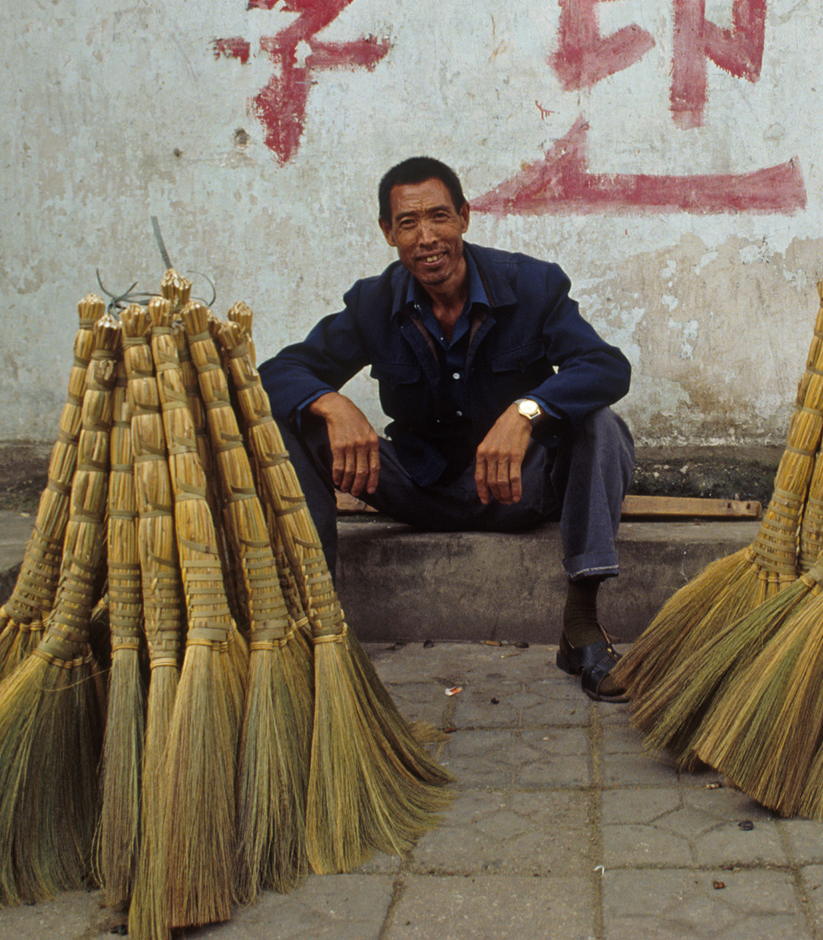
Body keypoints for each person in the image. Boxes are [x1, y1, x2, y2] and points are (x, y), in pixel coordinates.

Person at [259, 156, 636, 701]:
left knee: (602, 424)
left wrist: (526, 411)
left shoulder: (532, 284)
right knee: (293, 422)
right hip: (418, 485)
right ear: (388, 233)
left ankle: (581, 627)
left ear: (463, 216)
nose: (426, 237)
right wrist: (332, 404)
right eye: (408, 223)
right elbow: (276, 373)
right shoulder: (373, 302)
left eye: (438, 216)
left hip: (518, 489)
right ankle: (318, 619)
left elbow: (606, 367)